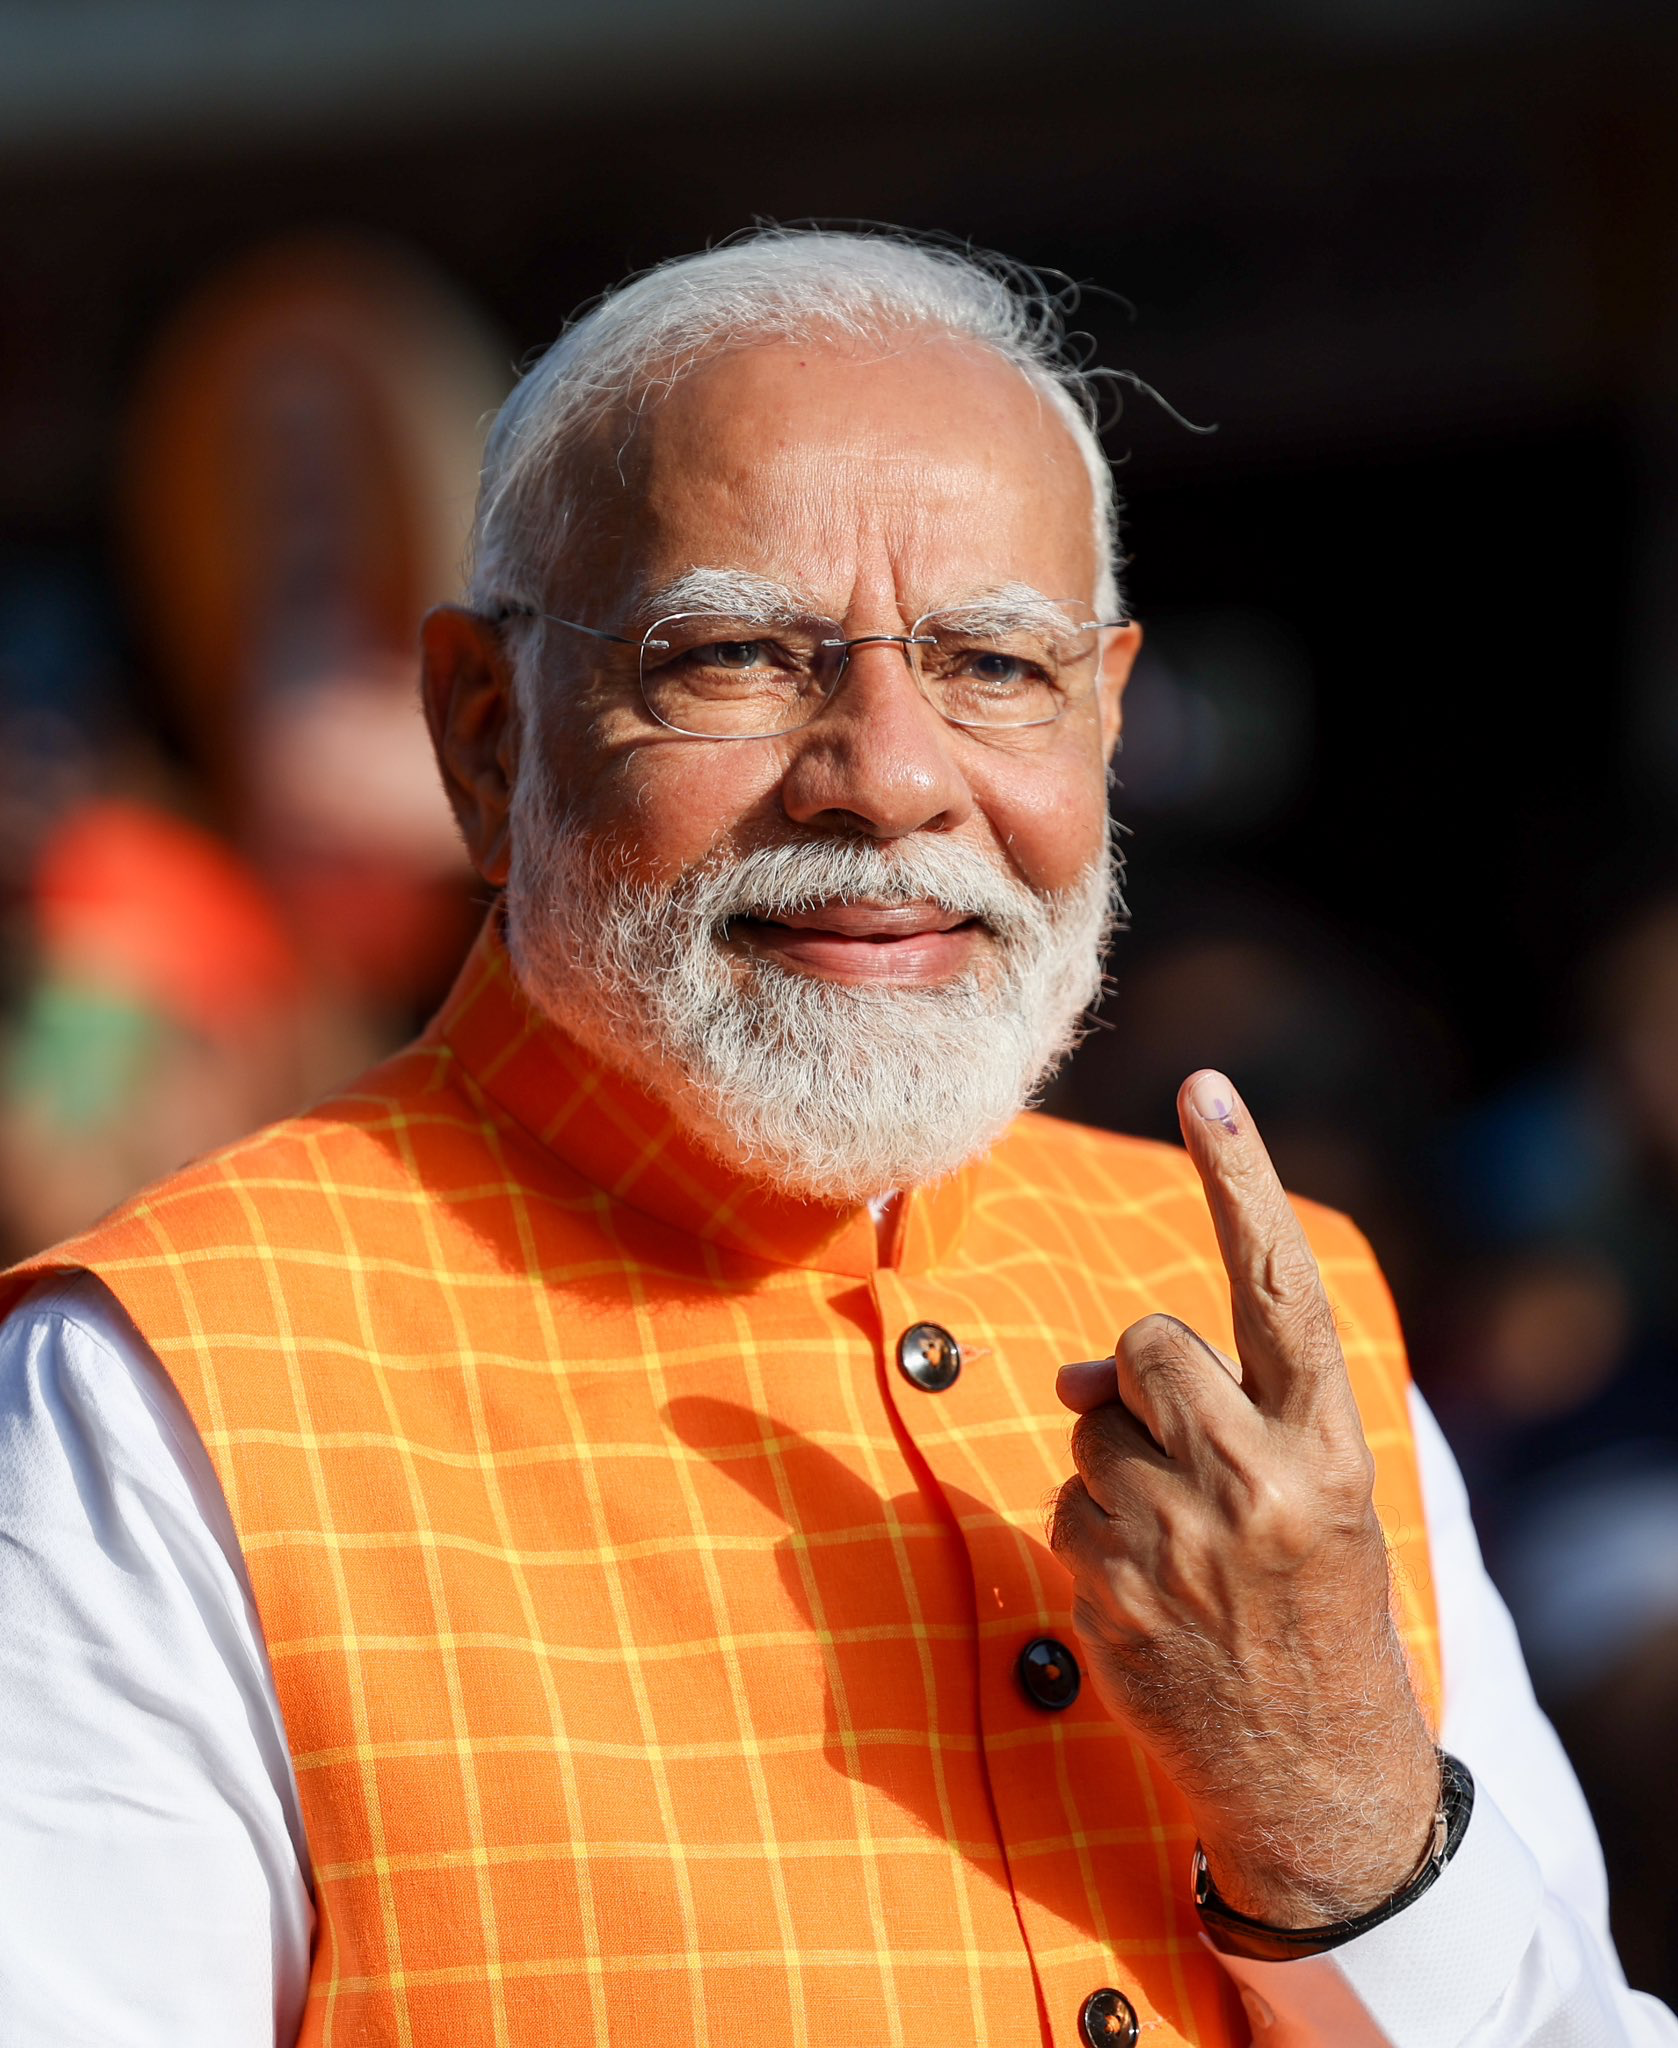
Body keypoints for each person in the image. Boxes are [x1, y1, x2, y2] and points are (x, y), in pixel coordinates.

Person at [0, 229, 1669, 2048]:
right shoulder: (177, 1388)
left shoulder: (1273, 1328)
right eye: (732, 656)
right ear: (486, 735)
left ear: (1104, 714)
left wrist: (1342, 1816)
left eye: (993, 666)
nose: (887, 775)